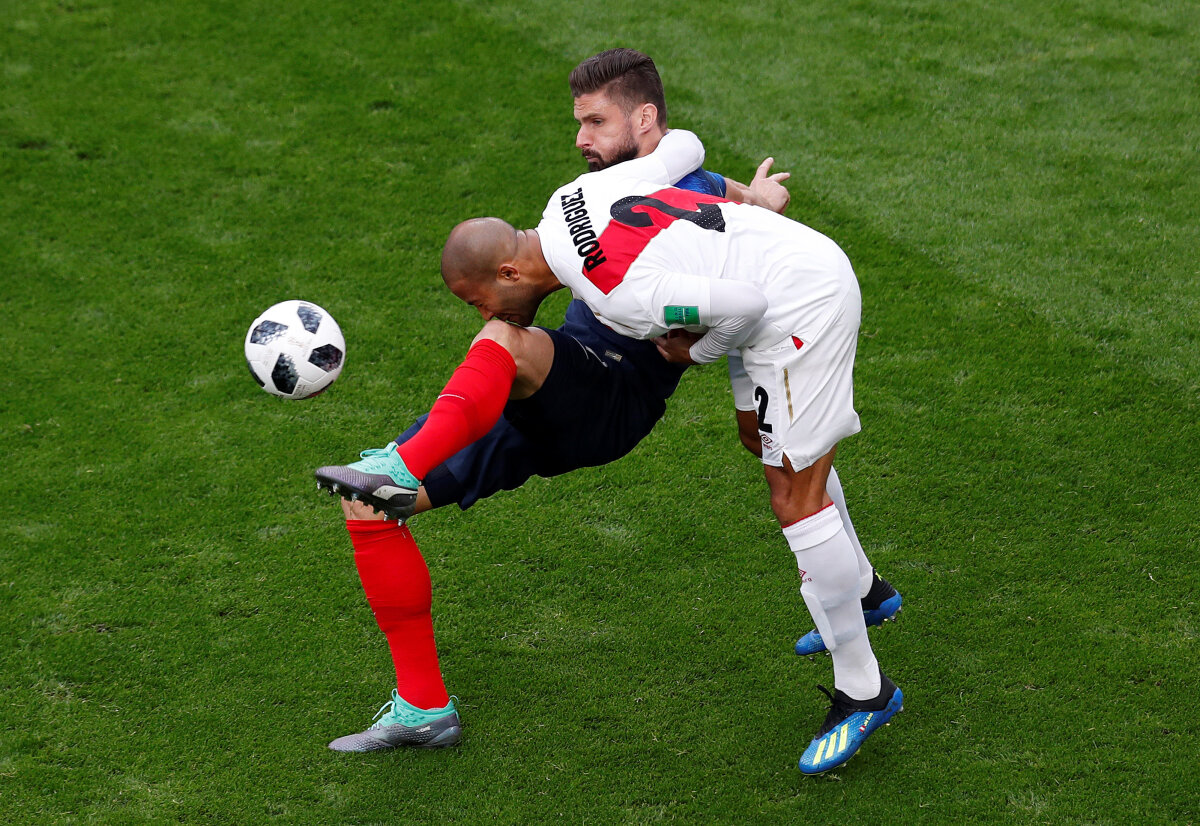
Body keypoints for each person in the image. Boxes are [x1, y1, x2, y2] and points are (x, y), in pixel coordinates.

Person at [318, 50, 899, 763]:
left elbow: (715, 229)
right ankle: (423, 708)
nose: (581, 138)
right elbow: (691, 162)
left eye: (596, 121)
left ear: (644, 121)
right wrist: (751, 205)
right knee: (368, 506)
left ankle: (864, 685)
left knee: (791, 491)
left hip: (608, 389)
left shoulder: (625, 232)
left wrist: (695, 344)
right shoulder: (598, 189)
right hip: (550, 386)